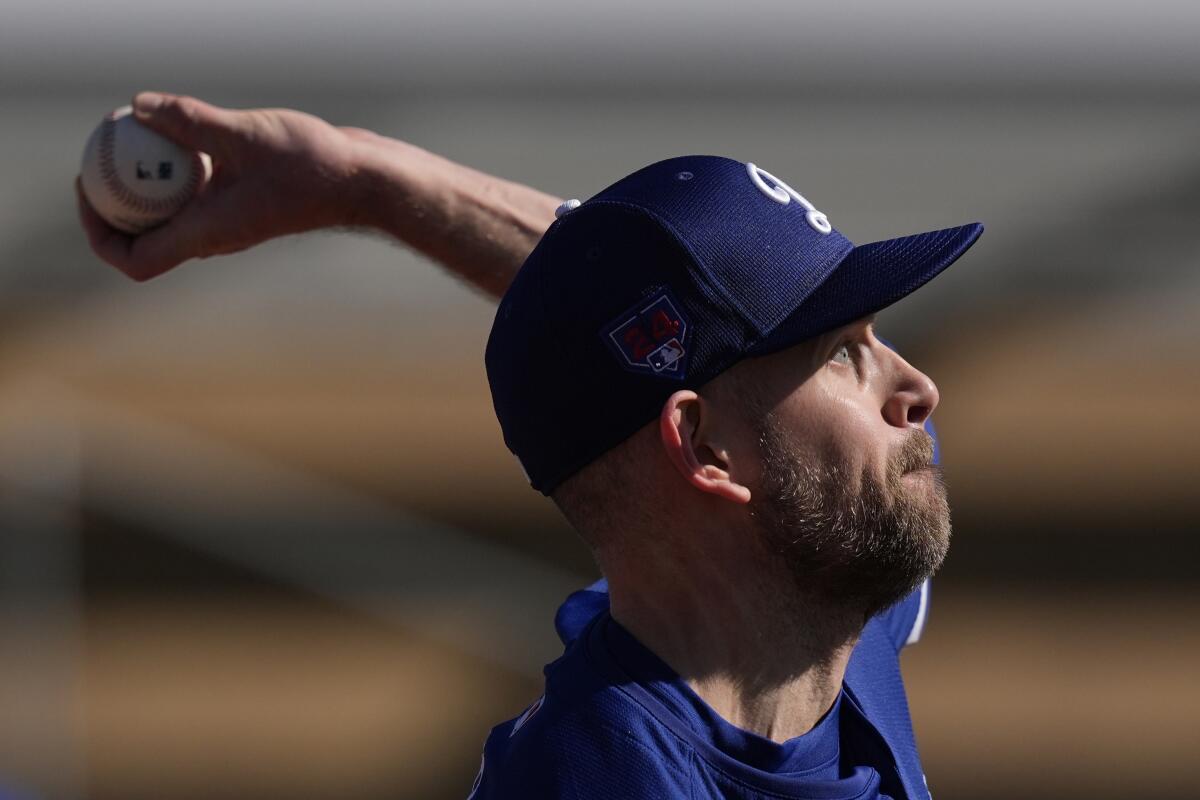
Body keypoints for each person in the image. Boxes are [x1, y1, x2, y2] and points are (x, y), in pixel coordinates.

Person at [78, 93, 984, 800]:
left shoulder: (820, 602)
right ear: (706, 451)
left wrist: (370, 183)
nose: (918, 392)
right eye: (840, 356)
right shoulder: (597, 781)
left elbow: (619, 334)